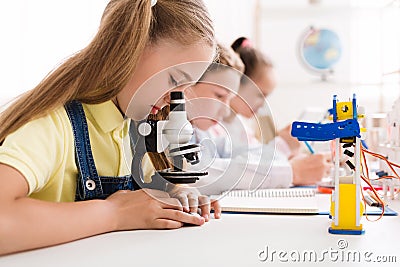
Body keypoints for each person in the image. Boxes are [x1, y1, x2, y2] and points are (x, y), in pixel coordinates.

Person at [0, 0, 221, 256]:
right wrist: (114, 213)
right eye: (174, 80)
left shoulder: (139, 129)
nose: (173, 100)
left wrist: (180, 193)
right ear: (130, 50)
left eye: (184, 89)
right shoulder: (53, 124)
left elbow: (158, 189)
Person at [185, 44, 293, 195]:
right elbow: (194, 173)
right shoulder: (173, 132)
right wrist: (289, 172)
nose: (225, 109)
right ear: (187, 84)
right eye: (220, 95)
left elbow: (239, 153)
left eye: (230, 99)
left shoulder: (201, 134)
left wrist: (283, 159)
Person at [227, 37, 332, 186]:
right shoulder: (215, 127)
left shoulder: (242, 127)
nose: (263, 105)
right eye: (260, 95)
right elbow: (241, 170)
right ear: (236, 83)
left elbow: (256, 159)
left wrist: (289, 156)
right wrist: (283, 146)